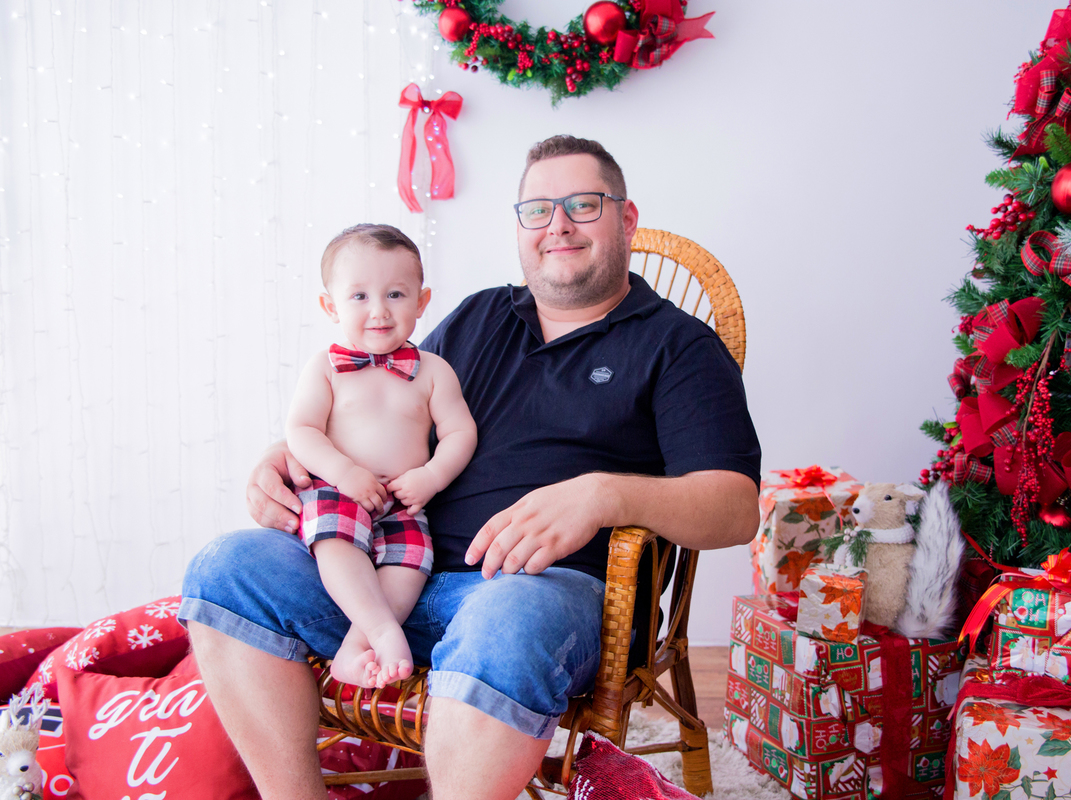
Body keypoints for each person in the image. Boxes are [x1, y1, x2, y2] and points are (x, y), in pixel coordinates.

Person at [180, 134, 761, 800]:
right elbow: (379, 408)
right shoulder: (483, 316)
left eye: (583, 204)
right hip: (392, 573)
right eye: (537, 209)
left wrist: (606, 495)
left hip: (543, 596)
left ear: (626, 220)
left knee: (506, 614)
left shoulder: (678, 345)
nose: (559, 226)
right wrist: (284, 454)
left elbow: (734, 507)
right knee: (227, 566)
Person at [285, 224, 476, 689]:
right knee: (336, 543)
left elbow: (459, 432)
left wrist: (430, 476)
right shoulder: (325, 368)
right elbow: (301, 430)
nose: (379, 311)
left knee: (410, 564)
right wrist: (344, 473)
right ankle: (384, 630)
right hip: (339, 491)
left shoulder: (433, 371)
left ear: (422, 301)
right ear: (330, 306)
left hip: (402, 499)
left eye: (395, 294)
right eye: (359, 297)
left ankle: (354, 649)